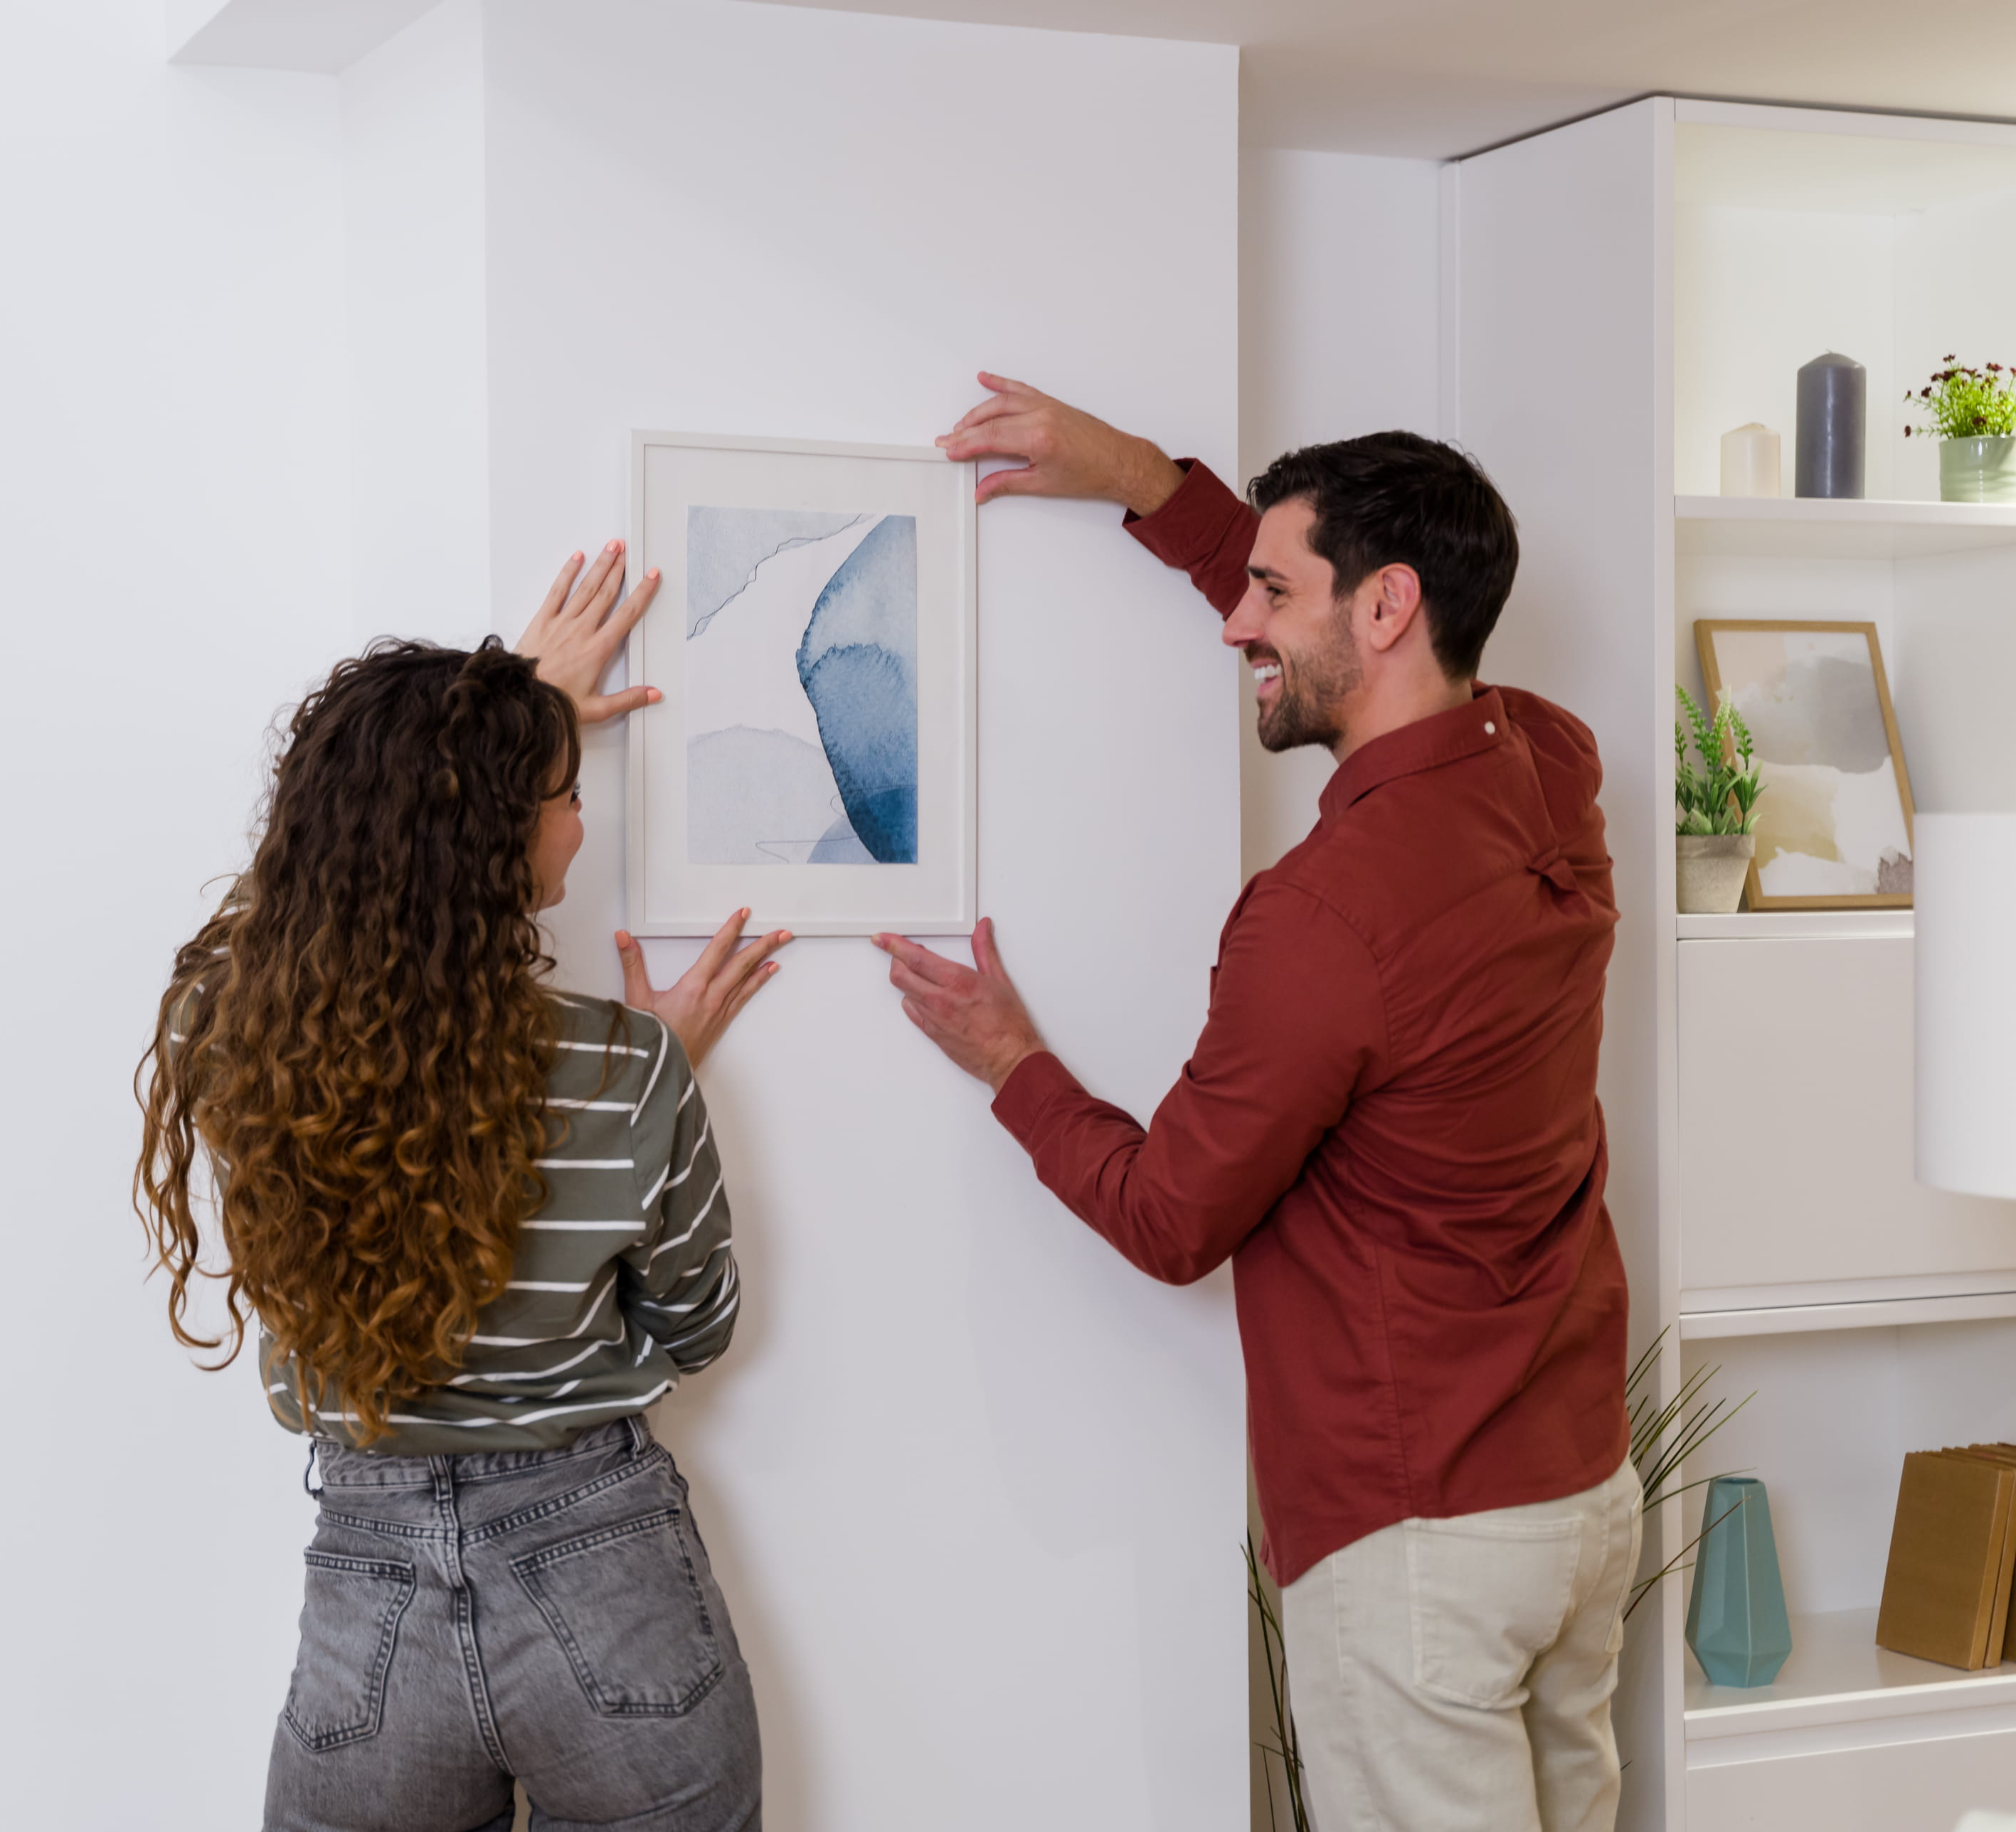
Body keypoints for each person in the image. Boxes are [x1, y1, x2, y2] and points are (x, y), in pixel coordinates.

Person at [878, 377, 1638, 1832]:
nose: (1239, 620)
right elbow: (1319, 628)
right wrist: (1138, 476)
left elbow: (1172, 1218)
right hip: (1576, 1498)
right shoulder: (1551, 763)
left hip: (1422, 1535)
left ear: (1386, 607)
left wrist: (1013, 1067)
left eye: (1272, 592)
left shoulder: (1321, 919)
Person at [137, 545, 787, 1832]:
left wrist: (477, 733)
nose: (581, 823)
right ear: (494, 834)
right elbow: (697, 1326)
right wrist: (645, 1090)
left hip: (366, 1591)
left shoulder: (236, 1036)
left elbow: (314, 892)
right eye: (559, 793)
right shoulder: (624, 1067)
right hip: (605, 1564)